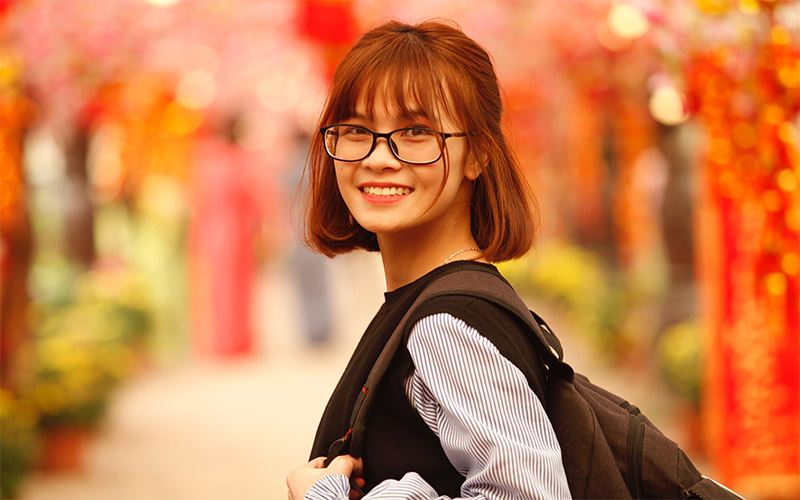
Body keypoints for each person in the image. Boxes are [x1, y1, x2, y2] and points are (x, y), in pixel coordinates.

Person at [287, 20, 571, 500]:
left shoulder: (449, 326)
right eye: (356, 129)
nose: (378, 157)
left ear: (478, 152)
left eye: (415, 131)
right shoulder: (426, 303)